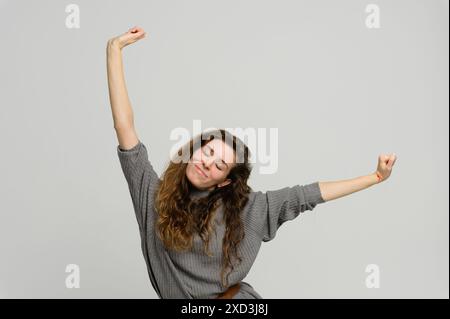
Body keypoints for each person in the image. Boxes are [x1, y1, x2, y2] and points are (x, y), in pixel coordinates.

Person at [106, 26, 398, 299]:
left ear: (224, 181)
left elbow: (308, 194)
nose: (208, 163)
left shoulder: (250, 209)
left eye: (220, 164)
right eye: (207, 153)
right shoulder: (153, 197)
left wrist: (374, 177)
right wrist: (114, 50)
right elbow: (125, 127)